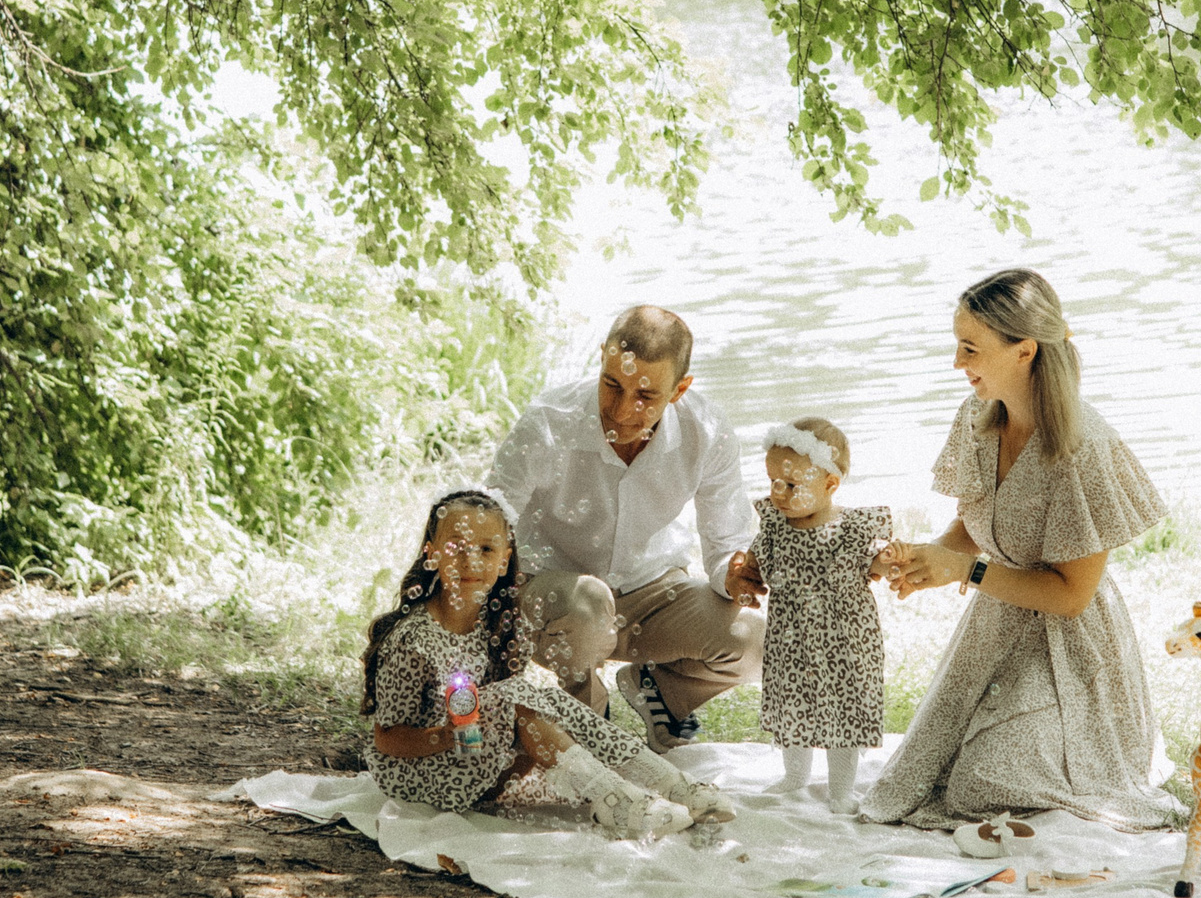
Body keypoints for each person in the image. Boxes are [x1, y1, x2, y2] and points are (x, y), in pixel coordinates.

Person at [861, 269, 1183, 833]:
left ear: (1024, 352)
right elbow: (975, 520)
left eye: (969, 349)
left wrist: (966, 569)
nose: (958, 363)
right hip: (994, 629)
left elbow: (1072, 596)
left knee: (984, 783)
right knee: (938, 779)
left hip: (1075, 649)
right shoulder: (976, 418)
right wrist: (926, 560)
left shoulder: (1083, 447)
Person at [360, 488, 736, 838]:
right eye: (456, 546)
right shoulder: (412, 641)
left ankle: (669, 784)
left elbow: (509, 718)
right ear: (431, 553)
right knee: (516, 696)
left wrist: (505, 740)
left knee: (542, 700)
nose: (471, 560)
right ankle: (617, 803)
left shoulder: (497, 623)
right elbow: (387, 739)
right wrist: (448, 735)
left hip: (476, 758)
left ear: (506, 558)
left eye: (487, 550)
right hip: (422, 770)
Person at [490, 305, 765, 750]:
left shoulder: (707, 431)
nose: (620, 411)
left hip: (651, 593)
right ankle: (591, 730)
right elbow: (491, 521)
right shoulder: (546, 422)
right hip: (552, 599)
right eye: (612, 384)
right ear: (601, 359)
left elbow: (726, 543)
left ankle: (662, 694)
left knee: (754, 637)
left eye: (645, 396)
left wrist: (731, 573)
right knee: (588, 604)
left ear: (680, 390)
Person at [747, 417, 892, 815]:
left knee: (844, 711)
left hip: (844, 641)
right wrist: (743, 572)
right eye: (773, 481)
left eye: (792, 485)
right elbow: (756, 560)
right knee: (792, 703)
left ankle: (841, 789)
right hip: (790, 641)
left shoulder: (852, 530)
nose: (779, 492)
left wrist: (887, 561)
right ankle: (795, 776)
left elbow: (876, 561)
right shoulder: (775, 524)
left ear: (830, 484)